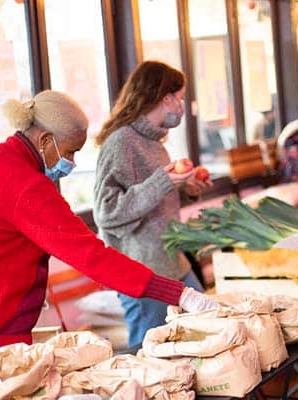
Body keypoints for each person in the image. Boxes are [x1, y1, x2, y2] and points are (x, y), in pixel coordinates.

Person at [0, 90, 218, 372]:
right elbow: (93, 256)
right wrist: (181, 295)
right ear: (45, 140)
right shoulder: (26, 185)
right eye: (71, 150)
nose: (71, 162)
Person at [93, 61, 212, 347]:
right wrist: (163, 181)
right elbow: (107, 213)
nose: (182, 106)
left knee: (205, 332)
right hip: (142, 272)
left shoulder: (154, 143)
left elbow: (153, 200)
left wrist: (188, 188)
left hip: (173, 263)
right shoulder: (120, 142)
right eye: (180, 98)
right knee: (151, 358)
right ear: (165, 97)